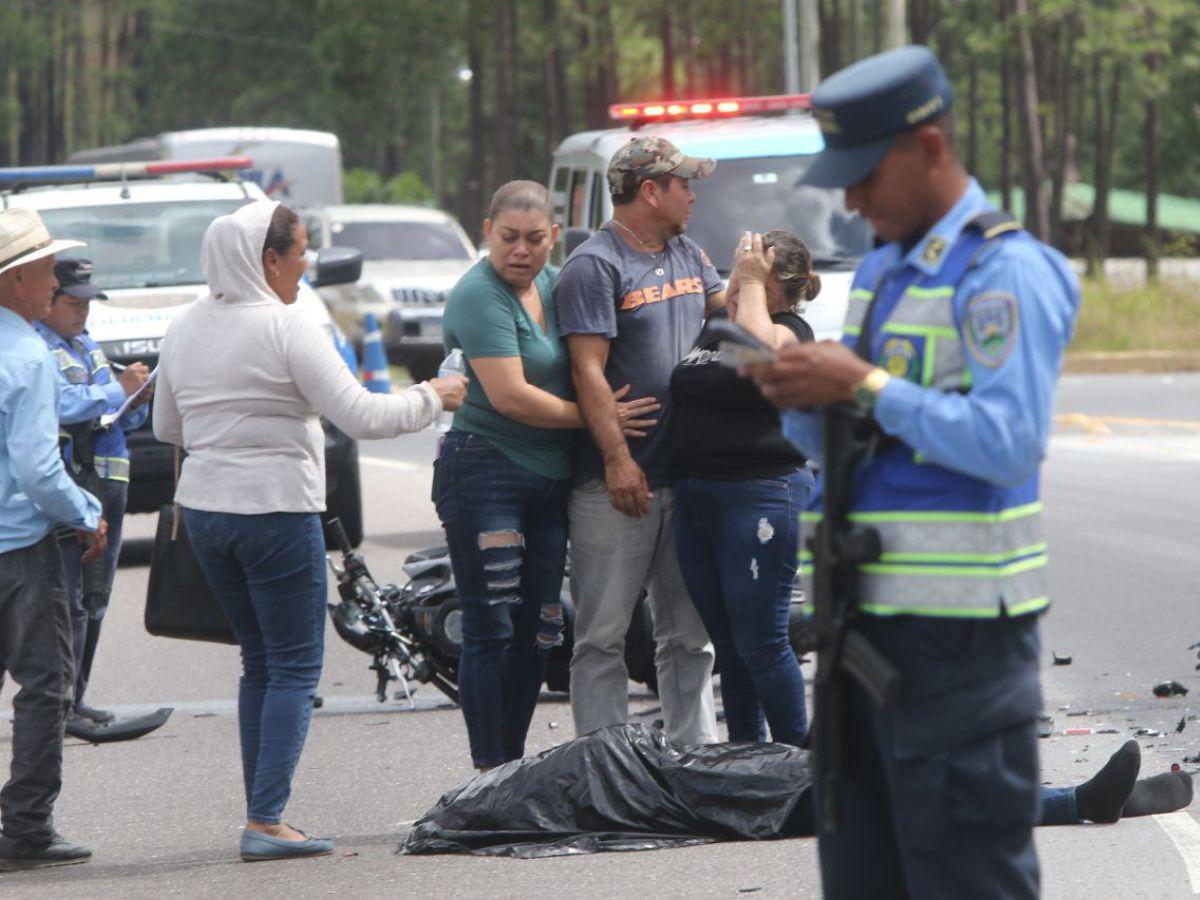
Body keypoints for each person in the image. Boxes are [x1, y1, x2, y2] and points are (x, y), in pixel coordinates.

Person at [748, 46, 1080, 898]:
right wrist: (800, 399)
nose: (852, 201)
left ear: (929, 147)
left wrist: (861, 383)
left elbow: (1008, 442)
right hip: (861, 639)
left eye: (864, 176)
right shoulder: (886, 270)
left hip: (960, 654)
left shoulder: (1005, 271)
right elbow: (864, 441)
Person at [153, 200, 466, 862]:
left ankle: (263, 812)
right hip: (274, 510)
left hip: (205, 513)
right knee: (294, 664)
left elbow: (165, 428)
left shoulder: (184, 325)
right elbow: (363, 416)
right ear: (268, 260)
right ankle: (265, 821)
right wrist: (432, 397)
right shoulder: (288, 325)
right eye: (300, 253)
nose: (306, 266)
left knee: (260, 661)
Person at [435, 180, 659, 771]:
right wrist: (600, 417)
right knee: (491, 625)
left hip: (550, 476)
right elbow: (512, 397)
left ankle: (513, 767)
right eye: (508, 237)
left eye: (535, 239)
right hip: (486, 470)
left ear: (554, 237)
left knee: (541, 626)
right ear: (487, 231)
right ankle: (489, 773)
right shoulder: (478, 296)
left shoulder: (556, 284)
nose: (521, 250)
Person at [555, 137, 725, 747]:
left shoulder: (688, 253)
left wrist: (771, 280)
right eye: (684, 183)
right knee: (602, 636)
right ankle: (605, 765)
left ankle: (694, 757)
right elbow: (587, 371)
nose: (693, 194)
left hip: (685, 478)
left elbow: (728, 316)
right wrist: (618, 460)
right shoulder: (594, 265)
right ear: (650, 191)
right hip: (616, 486)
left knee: (689, 636)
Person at [669, 229, 819, 746]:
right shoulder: (718, 330)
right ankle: (746, 761)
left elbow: (760, 360)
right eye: (737, 275)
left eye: (754, 279)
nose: (737, 286)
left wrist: (752, 283)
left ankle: (799, 764)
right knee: (731, 649)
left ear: (780, 292)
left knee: (762, 643)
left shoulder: (789, 330)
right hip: (699, 497)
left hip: (761, 494)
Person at [0, 208, 107, 871]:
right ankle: (27, 827)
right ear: (14, 280)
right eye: (45, 271)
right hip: (20, 548)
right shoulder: (27, 355)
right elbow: (39, 469)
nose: (55, 283)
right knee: (46, 686)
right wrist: (86, 510)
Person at [33, 258, 152, 728]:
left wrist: (136, 399)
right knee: (72, 602)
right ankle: (60, 707)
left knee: (96, 598)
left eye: (87, 303)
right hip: (74, 487)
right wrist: (117, 391)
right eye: (73, 302)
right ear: (48, 300)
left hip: (109, 484)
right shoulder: (37, 347)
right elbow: (60, 406)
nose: (82, 312)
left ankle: (76, 701)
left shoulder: (86, 344)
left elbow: (116, 414)